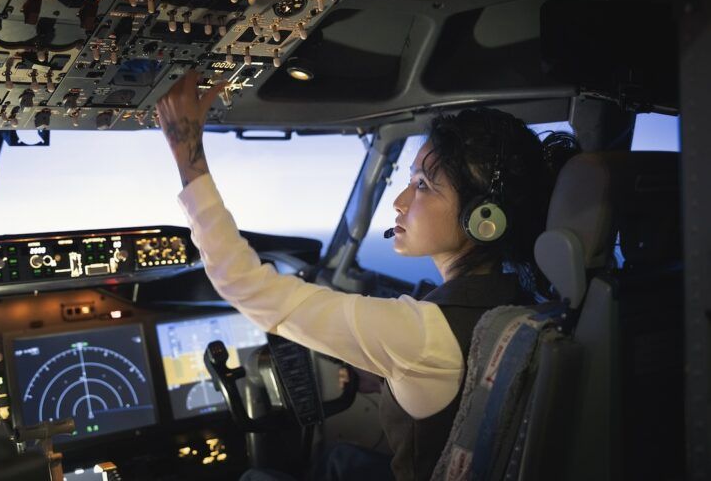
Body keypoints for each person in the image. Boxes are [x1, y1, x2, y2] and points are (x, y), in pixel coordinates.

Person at [157, 70, 579, 481]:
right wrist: (389, 381)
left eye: (424, 186)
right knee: (339, 459)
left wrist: (187, 154)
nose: (399, 201)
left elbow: (245, 284)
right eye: (409, 180)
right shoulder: (521, 307)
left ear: (483, 219)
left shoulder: (421, 334)